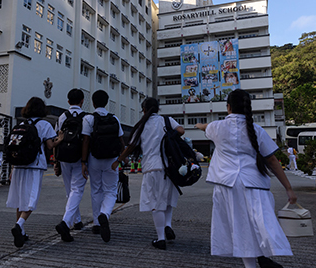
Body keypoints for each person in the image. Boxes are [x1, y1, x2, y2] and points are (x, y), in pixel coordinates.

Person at [195, 89, 297, 268]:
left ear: (228, 107)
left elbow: (205, 127)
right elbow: (272, 160)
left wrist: (199, 125)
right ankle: (263, 257)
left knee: (239, 227)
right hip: (254, 183)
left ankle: (254, 262)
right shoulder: (257, 130)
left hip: (227, 184)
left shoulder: (216, 127)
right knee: (262, 224)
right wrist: (288, 188)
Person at [116, 97, 183, 250]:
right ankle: (167, 225)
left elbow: (131, 146)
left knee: (156, 204)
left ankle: (160, 239)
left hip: (151, 168)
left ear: (144, 109)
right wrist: (168, 137)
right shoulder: (167, 121)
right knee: (166, 200)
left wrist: (119, 160)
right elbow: (181, 130)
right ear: (158, 108)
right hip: (169, 168)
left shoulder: (141, 125)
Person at [6, 97, 63, 248]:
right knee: (31, 199)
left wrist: (12, 169)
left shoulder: (21, 124)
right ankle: (19, 225)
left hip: (18, 166)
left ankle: (22, 231)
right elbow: (50, 146)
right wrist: (60, 139)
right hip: (35, 165)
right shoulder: (44, 124)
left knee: (20, 199)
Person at [81, 90, 125, 242]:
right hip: (112, 160)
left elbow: (86, 141)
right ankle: (105, 214)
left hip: (94, 159)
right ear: (106, 102)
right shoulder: (115, 119)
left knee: (96, 190)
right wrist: (120, 159)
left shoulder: (88, 119)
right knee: (111, 191)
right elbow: (121, 140)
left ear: (93, 102)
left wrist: (83, 162)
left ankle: (96, 223)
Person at [54, 89, 87, 242]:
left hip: (64, 157)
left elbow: (57, 137)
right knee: (77, 189)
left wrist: (56, 161)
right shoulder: (86, 117)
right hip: (80, 157)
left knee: (70, 190)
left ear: (68, 102)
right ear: (82, 101)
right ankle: (66, 222)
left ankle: (77, 220)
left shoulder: (62, 117)